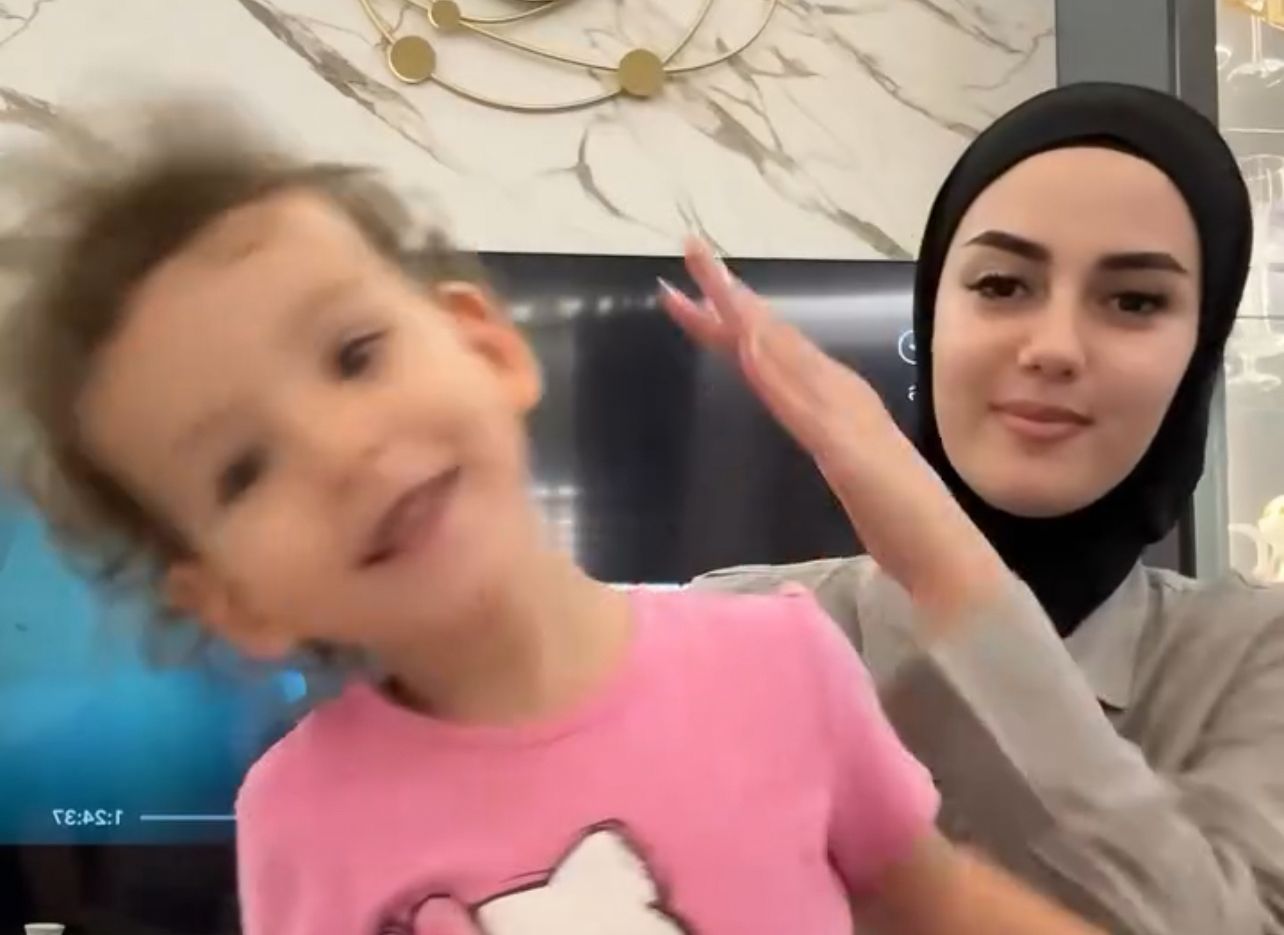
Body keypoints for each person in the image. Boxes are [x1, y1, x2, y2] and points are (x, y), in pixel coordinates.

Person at [0, 106, 1103, 935]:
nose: (339, 450)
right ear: (229, 599)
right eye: (244, 468)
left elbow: (937, 898)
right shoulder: (296, 821)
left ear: (486, 346)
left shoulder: (785, 657)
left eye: (354, 355)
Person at [667, 82, 1284, 934]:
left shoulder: (1249, 662)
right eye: (1001, 284)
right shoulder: (735, 636)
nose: (1054, 348)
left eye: (1135, 301)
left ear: (1200, 352)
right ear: (933, 314)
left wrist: (944, 569)